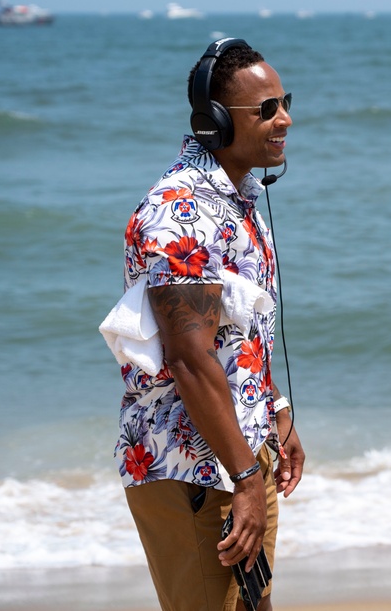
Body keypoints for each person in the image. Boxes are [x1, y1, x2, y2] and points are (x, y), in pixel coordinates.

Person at [111, 38, 305, 611]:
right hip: (196, 468)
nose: (284, 119)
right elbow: (190, 360)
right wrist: (245, 478)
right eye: (266, 109)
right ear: (217, 121)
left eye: (284, 101)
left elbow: (235, 337)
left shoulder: (237, 199)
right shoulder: (182, 212)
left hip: (240, 456)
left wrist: (277, 412)